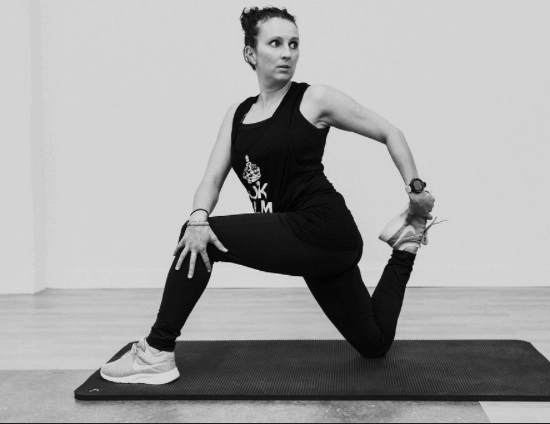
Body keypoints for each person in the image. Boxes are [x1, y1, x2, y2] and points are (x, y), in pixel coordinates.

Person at [100, 6, 442, 385]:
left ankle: (156, 352)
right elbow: (211, 181)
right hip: (310, 246)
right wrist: (199, 215)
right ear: (250, 53)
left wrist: (416, 191)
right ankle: (406, 246)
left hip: (323, 227)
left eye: (293, 44)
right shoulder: (238, 115)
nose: (287, 53)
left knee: (203, 238)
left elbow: (390, 131)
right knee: (374, 343)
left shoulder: (313, 99)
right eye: (275, 43)